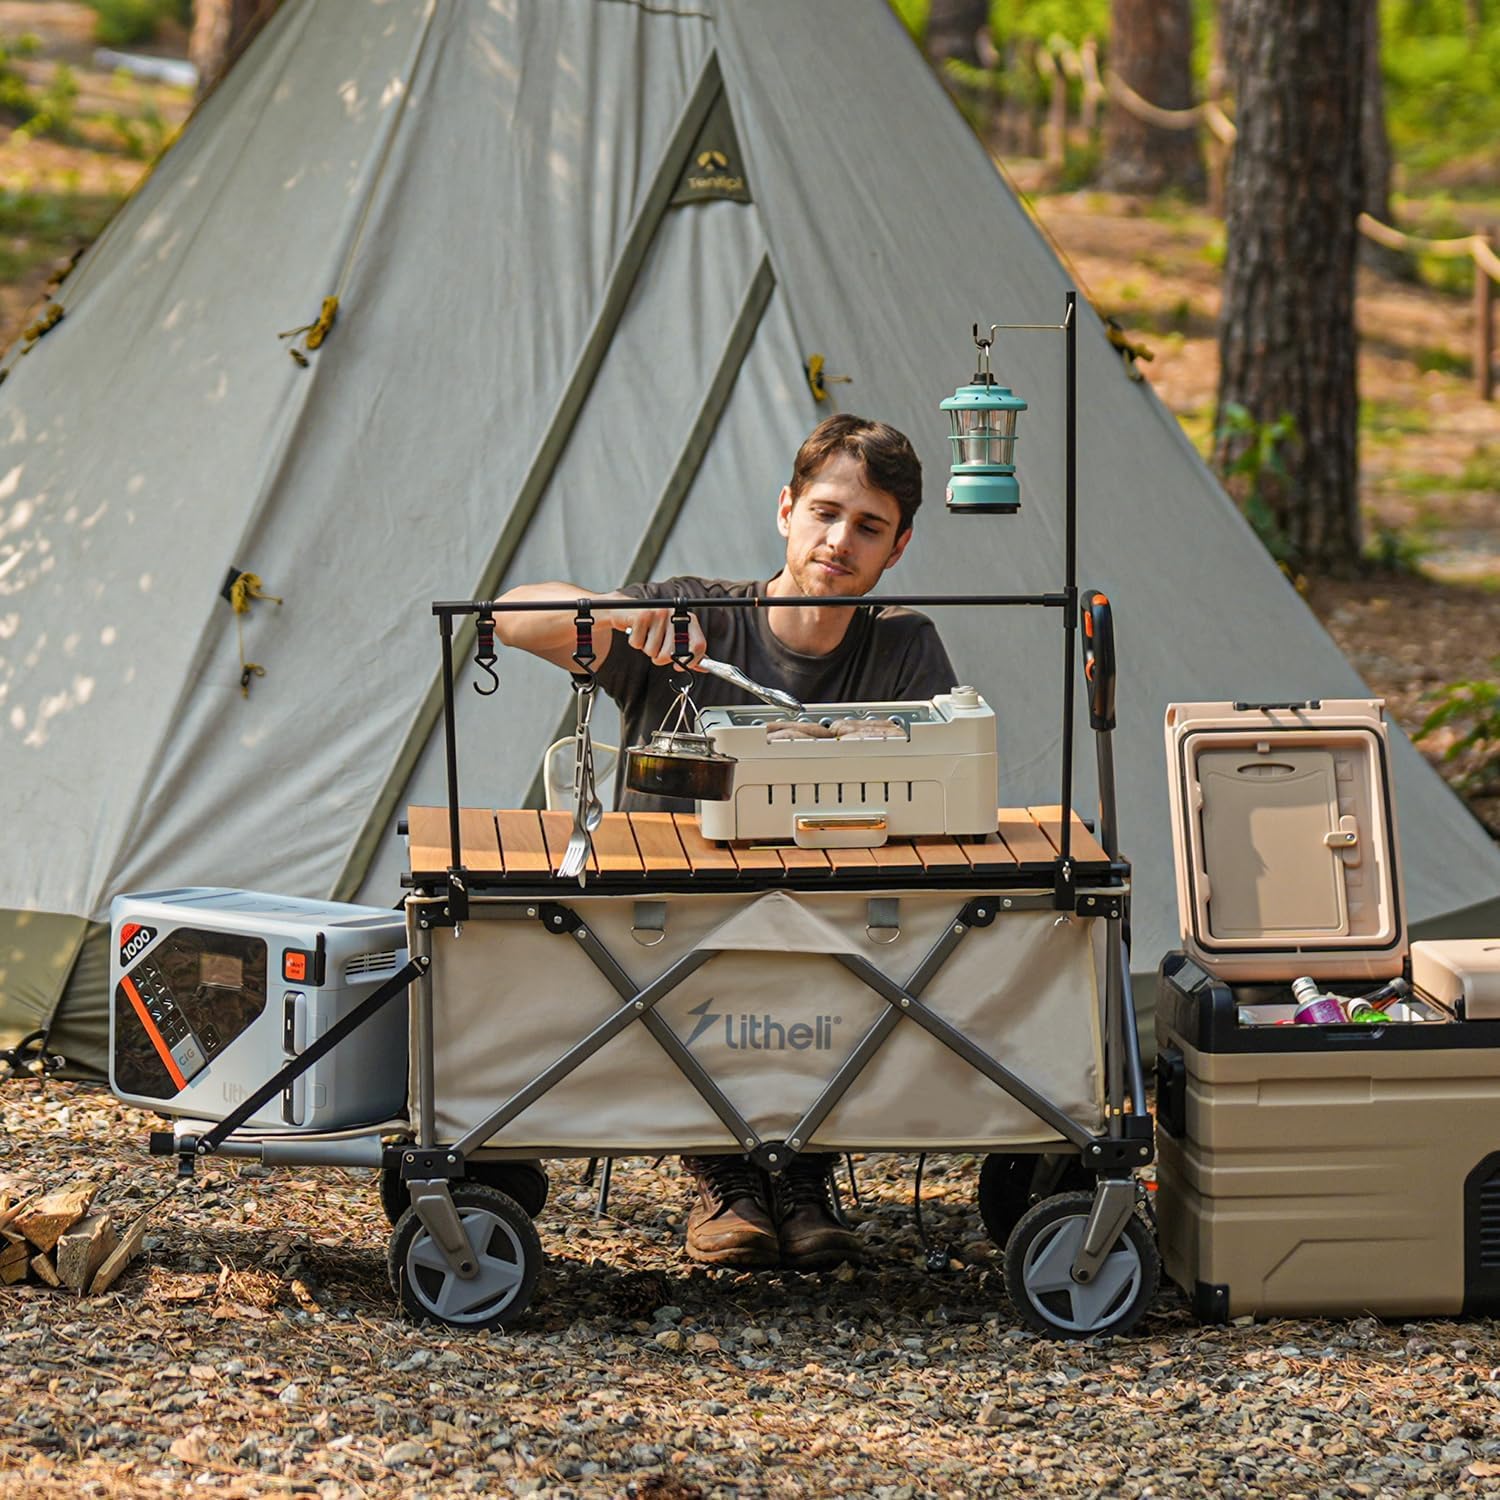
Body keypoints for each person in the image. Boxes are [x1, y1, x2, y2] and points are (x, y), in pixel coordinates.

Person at [496, 413, 959, 1269]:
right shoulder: (693, 619)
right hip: (675, 924)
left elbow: (943, 784)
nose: (839, 540)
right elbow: (510, 620)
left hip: (832, 922)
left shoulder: (903, 645)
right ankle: (726, 1175)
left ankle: (804, 1175)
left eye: (868, 527)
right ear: (785, 510)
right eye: (825, 512)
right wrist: (627, 615)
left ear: (897, 548)